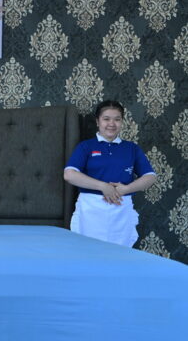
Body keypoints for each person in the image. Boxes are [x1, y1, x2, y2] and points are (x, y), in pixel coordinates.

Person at [63, 100, 156, 247]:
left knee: (120, 254)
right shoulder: (86, 146)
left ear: (122, 121)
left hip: (121, 210)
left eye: (117, 119)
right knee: (88, 251)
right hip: (90, 211)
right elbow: (69, 174)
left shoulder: (131, 148)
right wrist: (103, 187)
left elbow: (150, 177)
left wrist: (125, 189)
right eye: (106, 119)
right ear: (98, 121)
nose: (111, 124)